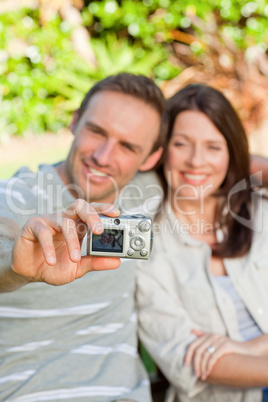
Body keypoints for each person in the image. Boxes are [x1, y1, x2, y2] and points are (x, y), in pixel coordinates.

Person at [0, 73, 166, 402]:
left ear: (150, 159)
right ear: (75, 122)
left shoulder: (148, 192)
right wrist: (14, 269)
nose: (103, 156)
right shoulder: (13, 197)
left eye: (128, 146)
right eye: (96, 131)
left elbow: (222, 162)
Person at [136, 84, 268, 402]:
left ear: (232, 153)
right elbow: (193, 362)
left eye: (213, 147)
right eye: (181, 144)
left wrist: (252, 347)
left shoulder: (260, 211)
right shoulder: (145, 243)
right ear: (161, 149)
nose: (196, 161)